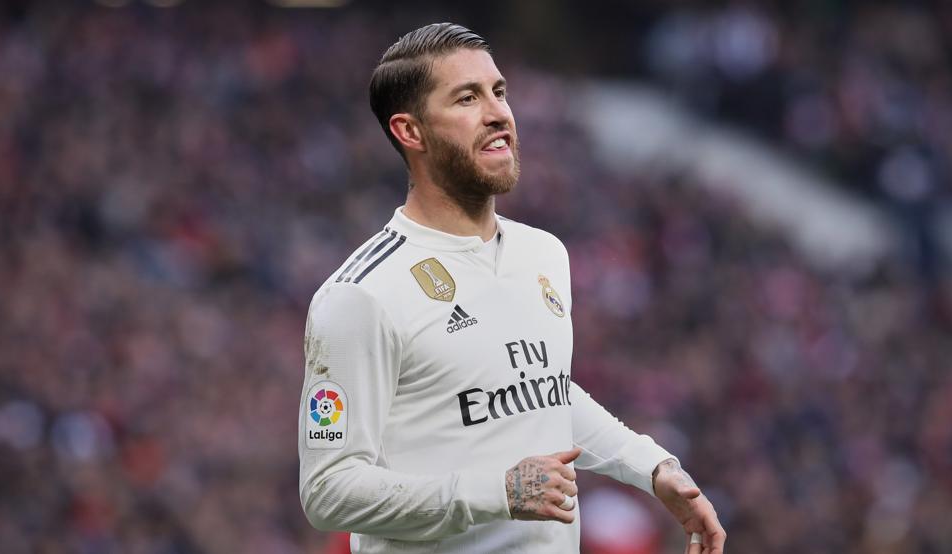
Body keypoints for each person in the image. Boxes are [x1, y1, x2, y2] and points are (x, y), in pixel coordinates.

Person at [298, 22, 726, 554]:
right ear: (411, 132)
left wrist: (651, 467)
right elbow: (327, 491)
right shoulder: (361, 295)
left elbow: (540, 394)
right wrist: (492, 492)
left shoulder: (543, 254)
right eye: (466, 98)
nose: (499, 112)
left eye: (498, 92)